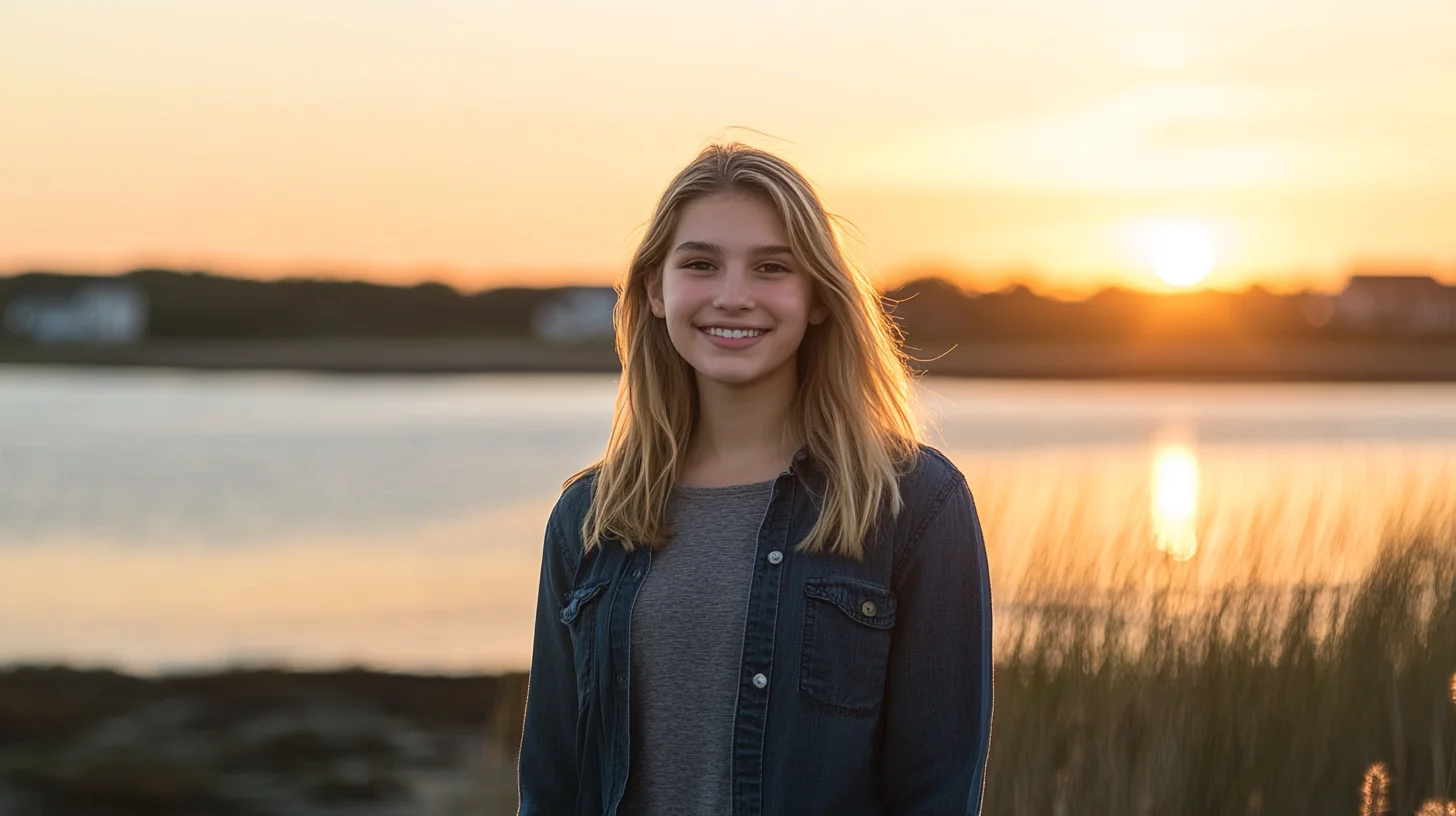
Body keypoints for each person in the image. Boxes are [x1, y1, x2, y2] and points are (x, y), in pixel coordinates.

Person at [516, 142, 993, 815]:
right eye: (701, 264)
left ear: (818, 299)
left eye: (771, 268)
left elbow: (936, 794)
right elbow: (551, 789)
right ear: (656, 290)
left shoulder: (912, 504)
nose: (733, 297)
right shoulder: (590, 518)